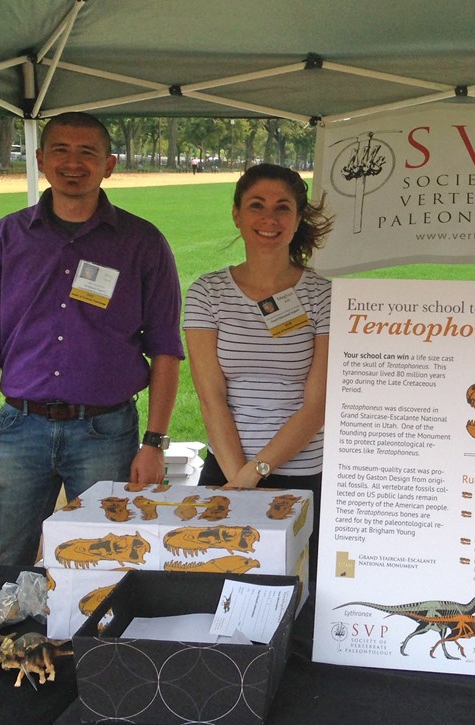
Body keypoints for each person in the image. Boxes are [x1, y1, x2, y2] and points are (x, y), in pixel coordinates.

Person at [0, 112, 184, 567]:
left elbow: (165, 347)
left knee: (106, 565)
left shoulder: (142, 243)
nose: (73, 163)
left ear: (110, 165)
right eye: (60, 150)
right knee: (0, 564)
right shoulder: (6, 237)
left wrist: (154, 443)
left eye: (88, 153)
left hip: (106, 433)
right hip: (20, 432)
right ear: (41, 159)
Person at [183, 164, 332, 568]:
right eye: (257, 205)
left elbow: (317, 405)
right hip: (227, 470)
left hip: (301, 473)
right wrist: (238, 480)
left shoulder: (324, 295)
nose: (270, 219)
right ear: (237, 214)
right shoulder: (207, 293)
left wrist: (256, 473)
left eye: (283, 207)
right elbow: (210, 397)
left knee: (298, 592)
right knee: (218, 585)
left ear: (298, 218)